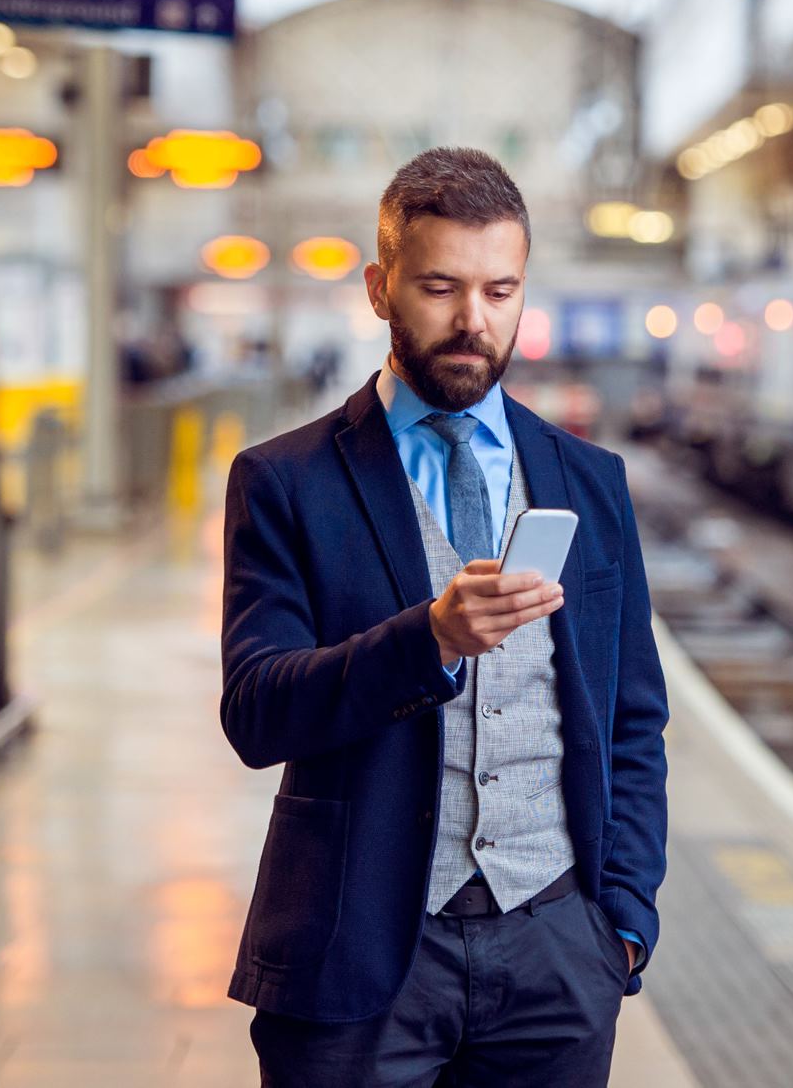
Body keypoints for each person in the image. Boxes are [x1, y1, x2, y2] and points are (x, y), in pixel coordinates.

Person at [219, 146, 669, 1087]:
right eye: (440, 288)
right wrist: (427, 639)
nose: (474, 321)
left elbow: (633, 717)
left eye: (501, 291)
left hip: (555, 955)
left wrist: (620, 923)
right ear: (379, 289)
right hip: (356, 957)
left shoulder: (592, 482)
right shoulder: (286, 482)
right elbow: (257, 712)